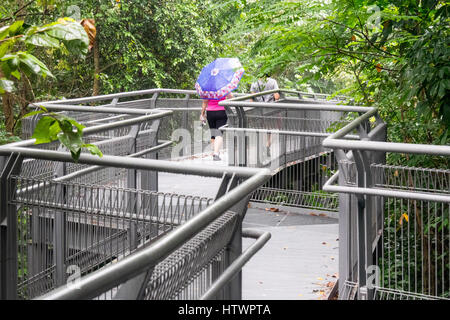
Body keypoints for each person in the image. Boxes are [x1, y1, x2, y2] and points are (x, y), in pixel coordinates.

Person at [250, 73, 280, 156]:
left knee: (261, 128)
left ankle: (262, 145)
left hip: (259, 109)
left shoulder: (254, 83)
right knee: (273, 129)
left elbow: (251, 98)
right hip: (270, 109)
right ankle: (267, 145)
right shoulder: (273, 81)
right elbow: (277, 97)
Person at [200, 93, 233, 161]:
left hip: (210, 112)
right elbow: (231, 97)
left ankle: (214, 150)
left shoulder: (207, 89)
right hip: (221, 111)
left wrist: (202, 114)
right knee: (219, 134)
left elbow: (205, 102)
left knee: (213, 133)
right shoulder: (223, 87)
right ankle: (216, 153)